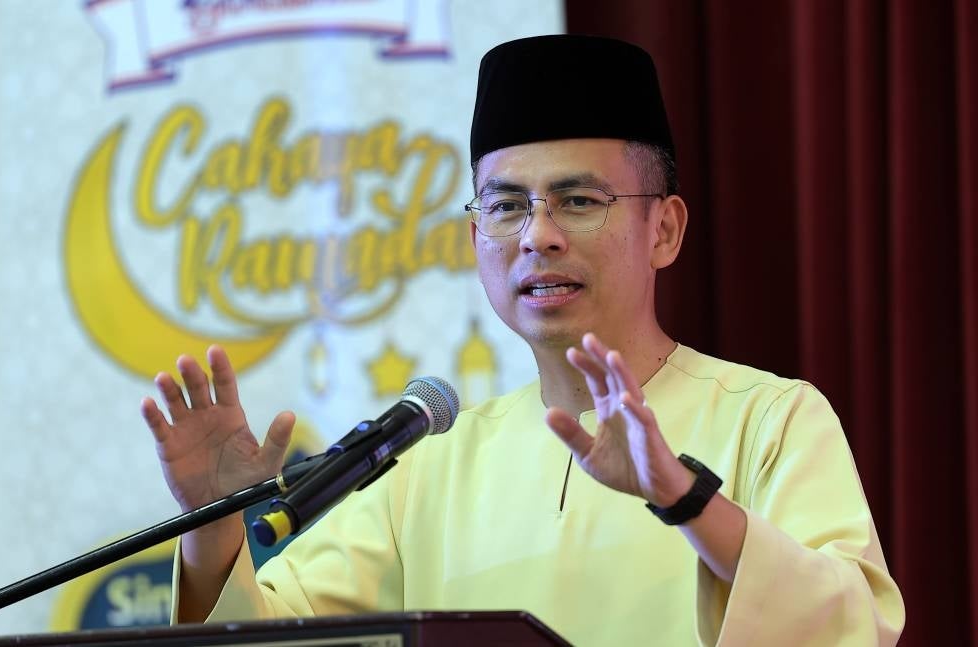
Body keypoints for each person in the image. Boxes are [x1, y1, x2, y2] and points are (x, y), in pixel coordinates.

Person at [141, 35, 905, 645]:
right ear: (476, 236)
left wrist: (684, 497)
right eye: (507, 206)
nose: (538, 235)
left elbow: (853, 626)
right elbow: (278, 639)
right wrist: (212, 530)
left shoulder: (770, 418)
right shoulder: (428, 464)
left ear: (664, 229)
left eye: (578, 200)